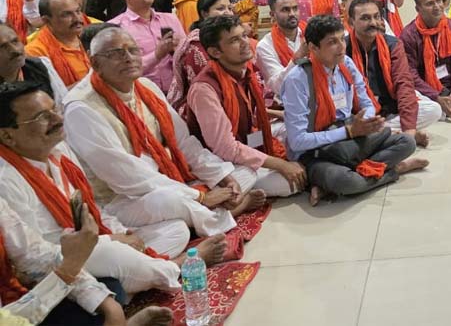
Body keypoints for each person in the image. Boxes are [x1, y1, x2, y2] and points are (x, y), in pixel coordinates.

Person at [0, 83, 212, 298]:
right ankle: (175, 266)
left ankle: (122, 283)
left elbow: (93, 209)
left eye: (54, 109)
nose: (57, 119)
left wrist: (121, 234)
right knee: (110, 252)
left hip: (93, 241)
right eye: (42, 117)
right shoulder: (6, 181)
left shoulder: (58, 150)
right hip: (62, 260)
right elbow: (32, 258)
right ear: (8, 136)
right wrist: (109, 241)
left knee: (176, 230)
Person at [63, 28, 266, 245]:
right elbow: (126, 177)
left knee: (244, 174)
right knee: (171, 213)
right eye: (116, 53)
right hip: (121, 199)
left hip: (168, 177)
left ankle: (204, 217)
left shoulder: (146, 87)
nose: (129, 58)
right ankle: (221, 215)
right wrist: (200, 196)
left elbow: (184, 142)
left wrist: (223, 178)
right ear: (95, 63)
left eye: (133, 50)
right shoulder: (81, 107)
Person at [282, 15, 428, 205]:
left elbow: (367, 104)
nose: (341, 47)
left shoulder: (346, 64)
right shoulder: (297, 80)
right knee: (345, 181)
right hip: (317, 152)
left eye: (342, 39)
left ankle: (332, 182)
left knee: (407, 142)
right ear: (313, 47)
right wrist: (348, 132)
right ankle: (394, 170)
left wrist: (366, 123)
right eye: (332, 42)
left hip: (349, 140)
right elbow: (298, 141)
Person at [0, 196, 172, 326]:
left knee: (109, 291)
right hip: (11, 317)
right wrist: (70, 266)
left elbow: (36, 254)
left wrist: (110, 307)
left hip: (15, 306)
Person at [187, 15, 305, 198]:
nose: (245, 43)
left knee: (294, 133)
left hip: (246, 143)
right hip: (221, 164)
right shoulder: (204, 89)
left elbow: (248, 115)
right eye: (234, 40)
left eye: (244, 35)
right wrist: (280, 164)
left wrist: (279, 115)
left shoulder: (244, 72)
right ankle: (237, 197)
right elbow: (225, 148)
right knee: (289, 182)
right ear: (215, 52)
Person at [346, 0, 441, 147]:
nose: (373, 22)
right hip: (357, 112)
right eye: (365, 18)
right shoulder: (343, 48)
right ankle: (387, 133)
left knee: (433, 110)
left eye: (376, 16)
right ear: (351, 22)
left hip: (388, 108)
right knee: (343, 124)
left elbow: (404, 84)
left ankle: (386, 133)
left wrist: (409, 133)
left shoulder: (393, 44)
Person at [109, 0, 184, 94]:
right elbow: (122, 69)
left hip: (178, 92)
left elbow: (187, 55)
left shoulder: (170, 19)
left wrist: (177, 52)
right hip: (142, 95)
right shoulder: (116, 27)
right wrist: (157, 55)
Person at [166, 0, 234, 118]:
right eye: (220, 8)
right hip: (201, 108)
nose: (227, 13)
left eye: (230, 8)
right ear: (204, 13)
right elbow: (207, 85)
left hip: (228, 98)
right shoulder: (195, 45)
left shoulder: (228, 37)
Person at [24, 0, 89, 87]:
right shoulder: (35, 53)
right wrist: (90, 83)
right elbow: (46, 94)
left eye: (78, 11)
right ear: (46, 20)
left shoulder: (92, 35)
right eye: (66, 14)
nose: (77, 19)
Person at [0, 23, 67, 105]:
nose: (15, 50)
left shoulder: (41, 65)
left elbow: (62, 104)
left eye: (15, 41)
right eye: (3, 47)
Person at [256, 0, 306, 95]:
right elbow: (278, 86)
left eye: (295, 8)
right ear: (272, 15)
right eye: (285, 10)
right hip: (286, 100)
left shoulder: (310, 33)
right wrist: (297, 58)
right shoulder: (265, 46)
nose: (292, 14)